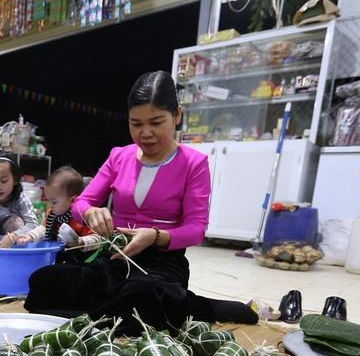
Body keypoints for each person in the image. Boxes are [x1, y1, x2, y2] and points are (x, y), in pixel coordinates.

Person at [24, 71, 257, 335]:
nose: (146, 133)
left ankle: (197, 307)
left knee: (146, 293)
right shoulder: (119, 156)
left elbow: (196, 229)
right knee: (43, 281)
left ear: (177, 115)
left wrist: (155, 236)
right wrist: (90, 212)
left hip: (162, 264)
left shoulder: (194, 163)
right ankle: (145, 312)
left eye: (157, 122)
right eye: (136, 124)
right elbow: (82, 202)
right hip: (114, 257)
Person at [12, 166, 101, 254]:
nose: (49, 205)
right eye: (48, 200)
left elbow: (97, 239)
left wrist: (81, 241)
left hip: (80, 259)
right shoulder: (52, 214)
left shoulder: (80, 218)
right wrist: (30, 236)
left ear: (72, 200)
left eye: (54, 202)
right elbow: (44, 229)